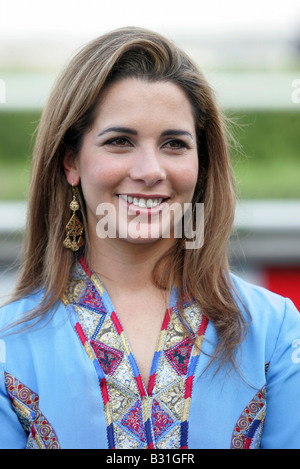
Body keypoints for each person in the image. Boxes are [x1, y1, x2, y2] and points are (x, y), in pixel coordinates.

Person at [0, 27, 300, 450]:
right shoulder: (8, 345)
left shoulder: (274, 331)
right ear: (71, 161)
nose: (150, 170)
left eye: (174, 144)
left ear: (201, 164)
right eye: (120, 141)